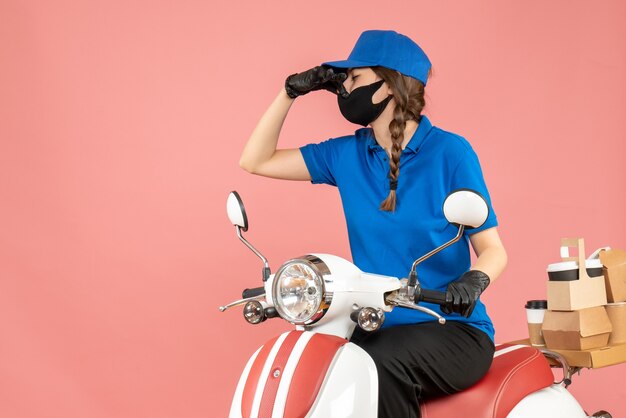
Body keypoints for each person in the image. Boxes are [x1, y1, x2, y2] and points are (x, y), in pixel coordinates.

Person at [239, 29, 507, 418]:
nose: (345, 87)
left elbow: (494, 250)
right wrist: (291, 92)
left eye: (356, 77)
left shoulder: (450, 152)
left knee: (373, 365)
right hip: (374, 323)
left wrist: (473, 282)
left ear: (390, 86)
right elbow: (255, 160)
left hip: (449, 328)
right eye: (343, 79)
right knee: (321, 363)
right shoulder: (347, 154)